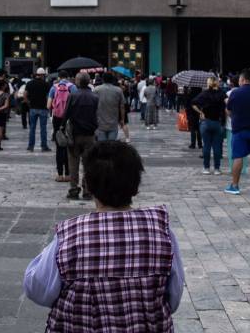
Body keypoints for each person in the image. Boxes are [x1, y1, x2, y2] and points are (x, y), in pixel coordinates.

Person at [24, 141, 184, 331]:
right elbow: (173, 296)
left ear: (89, 186)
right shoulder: (161, 232)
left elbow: (37, 288)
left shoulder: (70, 236)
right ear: (136, 186)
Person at [63, 72, 99, 200]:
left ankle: (73, 189)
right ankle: (87, 191)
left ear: (78, 82)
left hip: (75, 134)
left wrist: (62, 128)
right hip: (90, 135)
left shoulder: (73, 95)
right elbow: (97, 115)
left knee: (73, 163)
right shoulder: (95, 97)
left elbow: (66, 114)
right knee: (88, 164)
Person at [192, 77, 227, 175]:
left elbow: (193, 103)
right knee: (217, 147)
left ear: (208, 83)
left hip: (206, 122)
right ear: (217, 83)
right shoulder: (221, 93)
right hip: (218, 122)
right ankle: (217, 169)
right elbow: (228, 103)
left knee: (206, 146)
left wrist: (200, 112)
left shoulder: (205, 93)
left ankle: (206, 168)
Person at [49, 72, 77, 182]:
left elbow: (48, 105)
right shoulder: (73, 87)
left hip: (57, 119)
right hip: (69, 119)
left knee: (59, 146)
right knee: (69, 146)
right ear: (68, 77)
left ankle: (60, 174)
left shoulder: (54, 88)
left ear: (59, 77)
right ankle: (68, 174)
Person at [25, 68, 52, 151]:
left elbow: (25, 95)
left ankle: (30, 146)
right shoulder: (46, 84)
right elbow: (49, 97)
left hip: (32, 108)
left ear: (36, 74)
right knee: (43, 128)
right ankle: (44, 146)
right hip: (43, 108)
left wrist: (29, 103)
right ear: (43, 75)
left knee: (32, 128)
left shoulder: (29, 83)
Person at [95, 72, 126, 142]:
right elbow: (122, 106)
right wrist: (122, 120)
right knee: (111, 145)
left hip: (100, 123)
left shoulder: (96, 90)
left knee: (102, 145)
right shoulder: (118, 90)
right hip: (113, 122)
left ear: (102, 79)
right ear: (112, 80)